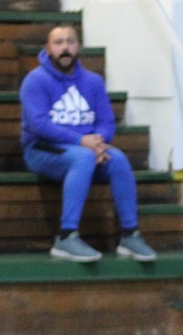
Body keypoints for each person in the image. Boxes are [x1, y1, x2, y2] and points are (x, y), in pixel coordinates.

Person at [19, 23, 158, 262]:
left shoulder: (92, 82)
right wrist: (81, 141)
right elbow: (38, 124)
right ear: (48, 48)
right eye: (59, 42)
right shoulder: (35, 80)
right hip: (42, 150)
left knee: (119, 159)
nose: (65, 48)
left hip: (87, 150)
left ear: (78, 46)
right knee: (82, 157)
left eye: (70, 42)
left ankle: (129, 235)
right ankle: (66, 237)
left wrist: (98, 143)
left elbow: (106, 122)